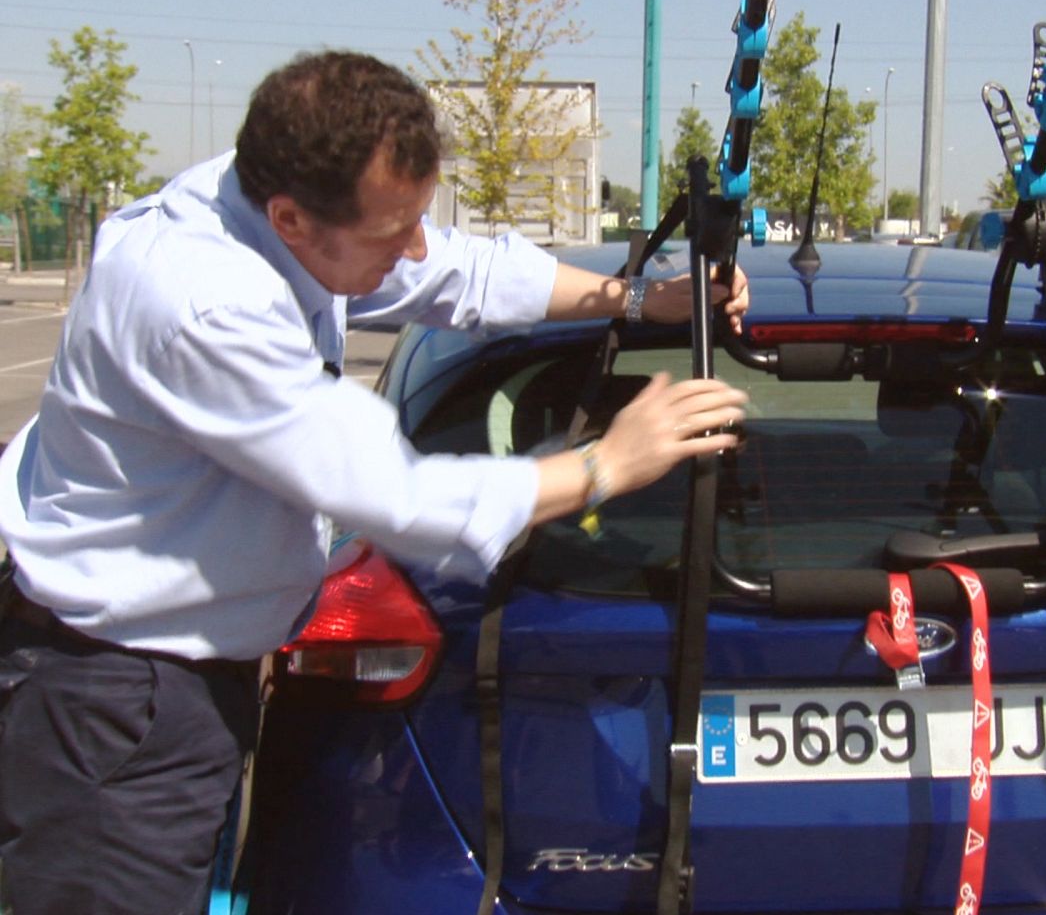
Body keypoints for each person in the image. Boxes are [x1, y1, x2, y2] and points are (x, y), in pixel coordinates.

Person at [0, 50, 750, 914]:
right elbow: (395, 494)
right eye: (394, 232)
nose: (415, 248)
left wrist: (630, 300)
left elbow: (455, 270)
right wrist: (605, 464)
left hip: (169, 683)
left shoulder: (263, 195)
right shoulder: (205, 303)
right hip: (116, 709)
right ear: (289, 219)